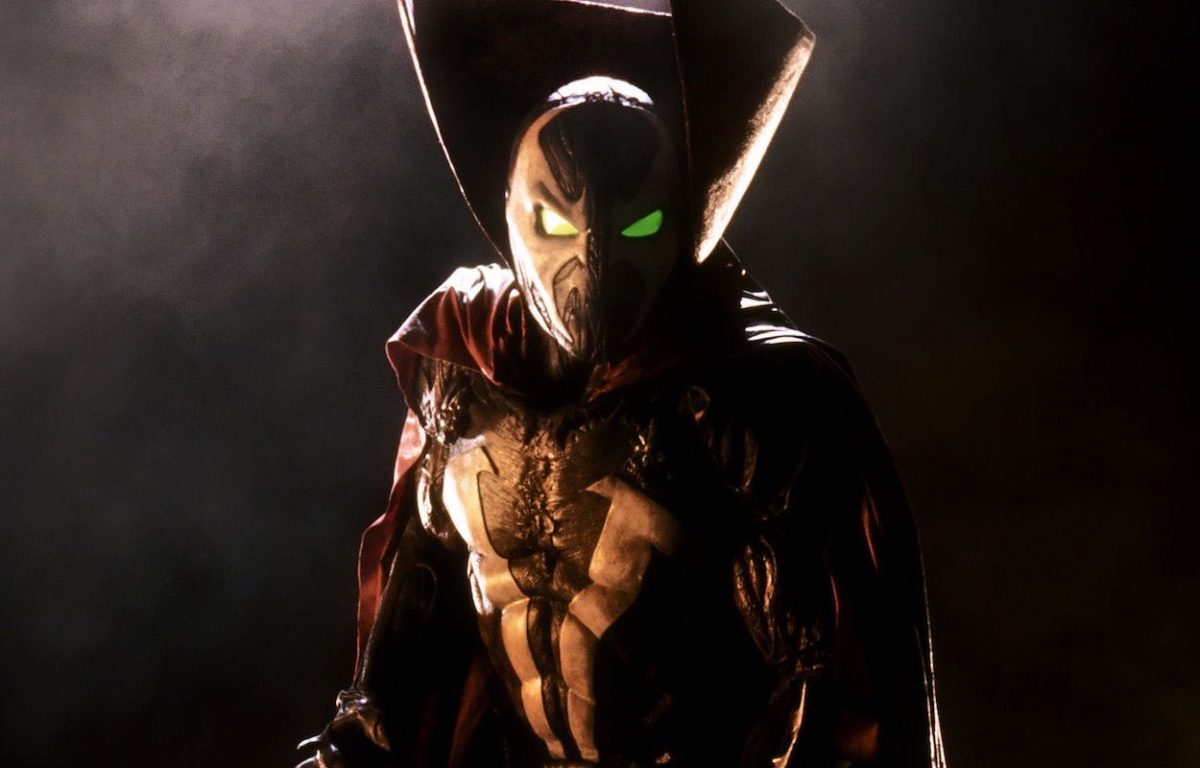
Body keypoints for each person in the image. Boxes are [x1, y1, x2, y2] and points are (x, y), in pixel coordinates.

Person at [298, 1, 946, 766]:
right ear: (510, 213)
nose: (595, 264)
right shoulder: (466, 363)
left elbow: (829, 677)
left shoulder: (750, 396)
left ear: (683, 221)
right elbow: (424, 596)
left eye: (637, 228)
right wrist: (365, 735)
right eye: (558, 226)